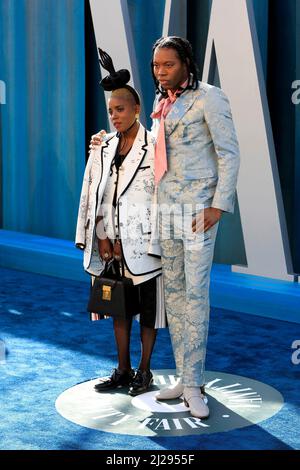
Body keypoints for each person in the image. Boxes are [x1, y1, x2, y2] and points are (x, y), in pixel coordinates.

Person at [90, 36, 240, 419]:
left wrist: (218, 207)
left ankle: (195, 384)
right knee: (172, 299)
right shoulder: (160, 102)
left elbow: (229, 154)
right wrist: (108, 140)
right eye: (156, 66)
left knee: (195, 299)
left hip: (197, 213)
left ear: (186, 63)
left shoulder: (211, 97)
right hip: (165, 214)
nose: (160, 72)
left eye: (168, 65)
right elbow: (152, 147)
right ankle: (182, 377)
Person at [75, 49, 165, 396]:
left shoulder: (155, 145)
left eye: (121, 110)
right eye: (111, 111)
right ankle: (123, 369)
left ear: (137, 109)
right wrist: (101, 235)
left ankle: (145, 371)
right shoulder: (103, 146)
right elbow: (97, 193)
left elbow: (160, 197)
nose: (114, 116)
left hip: (145, 245)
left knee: (147, 311)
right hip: (111, 244)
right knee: (119, 308)